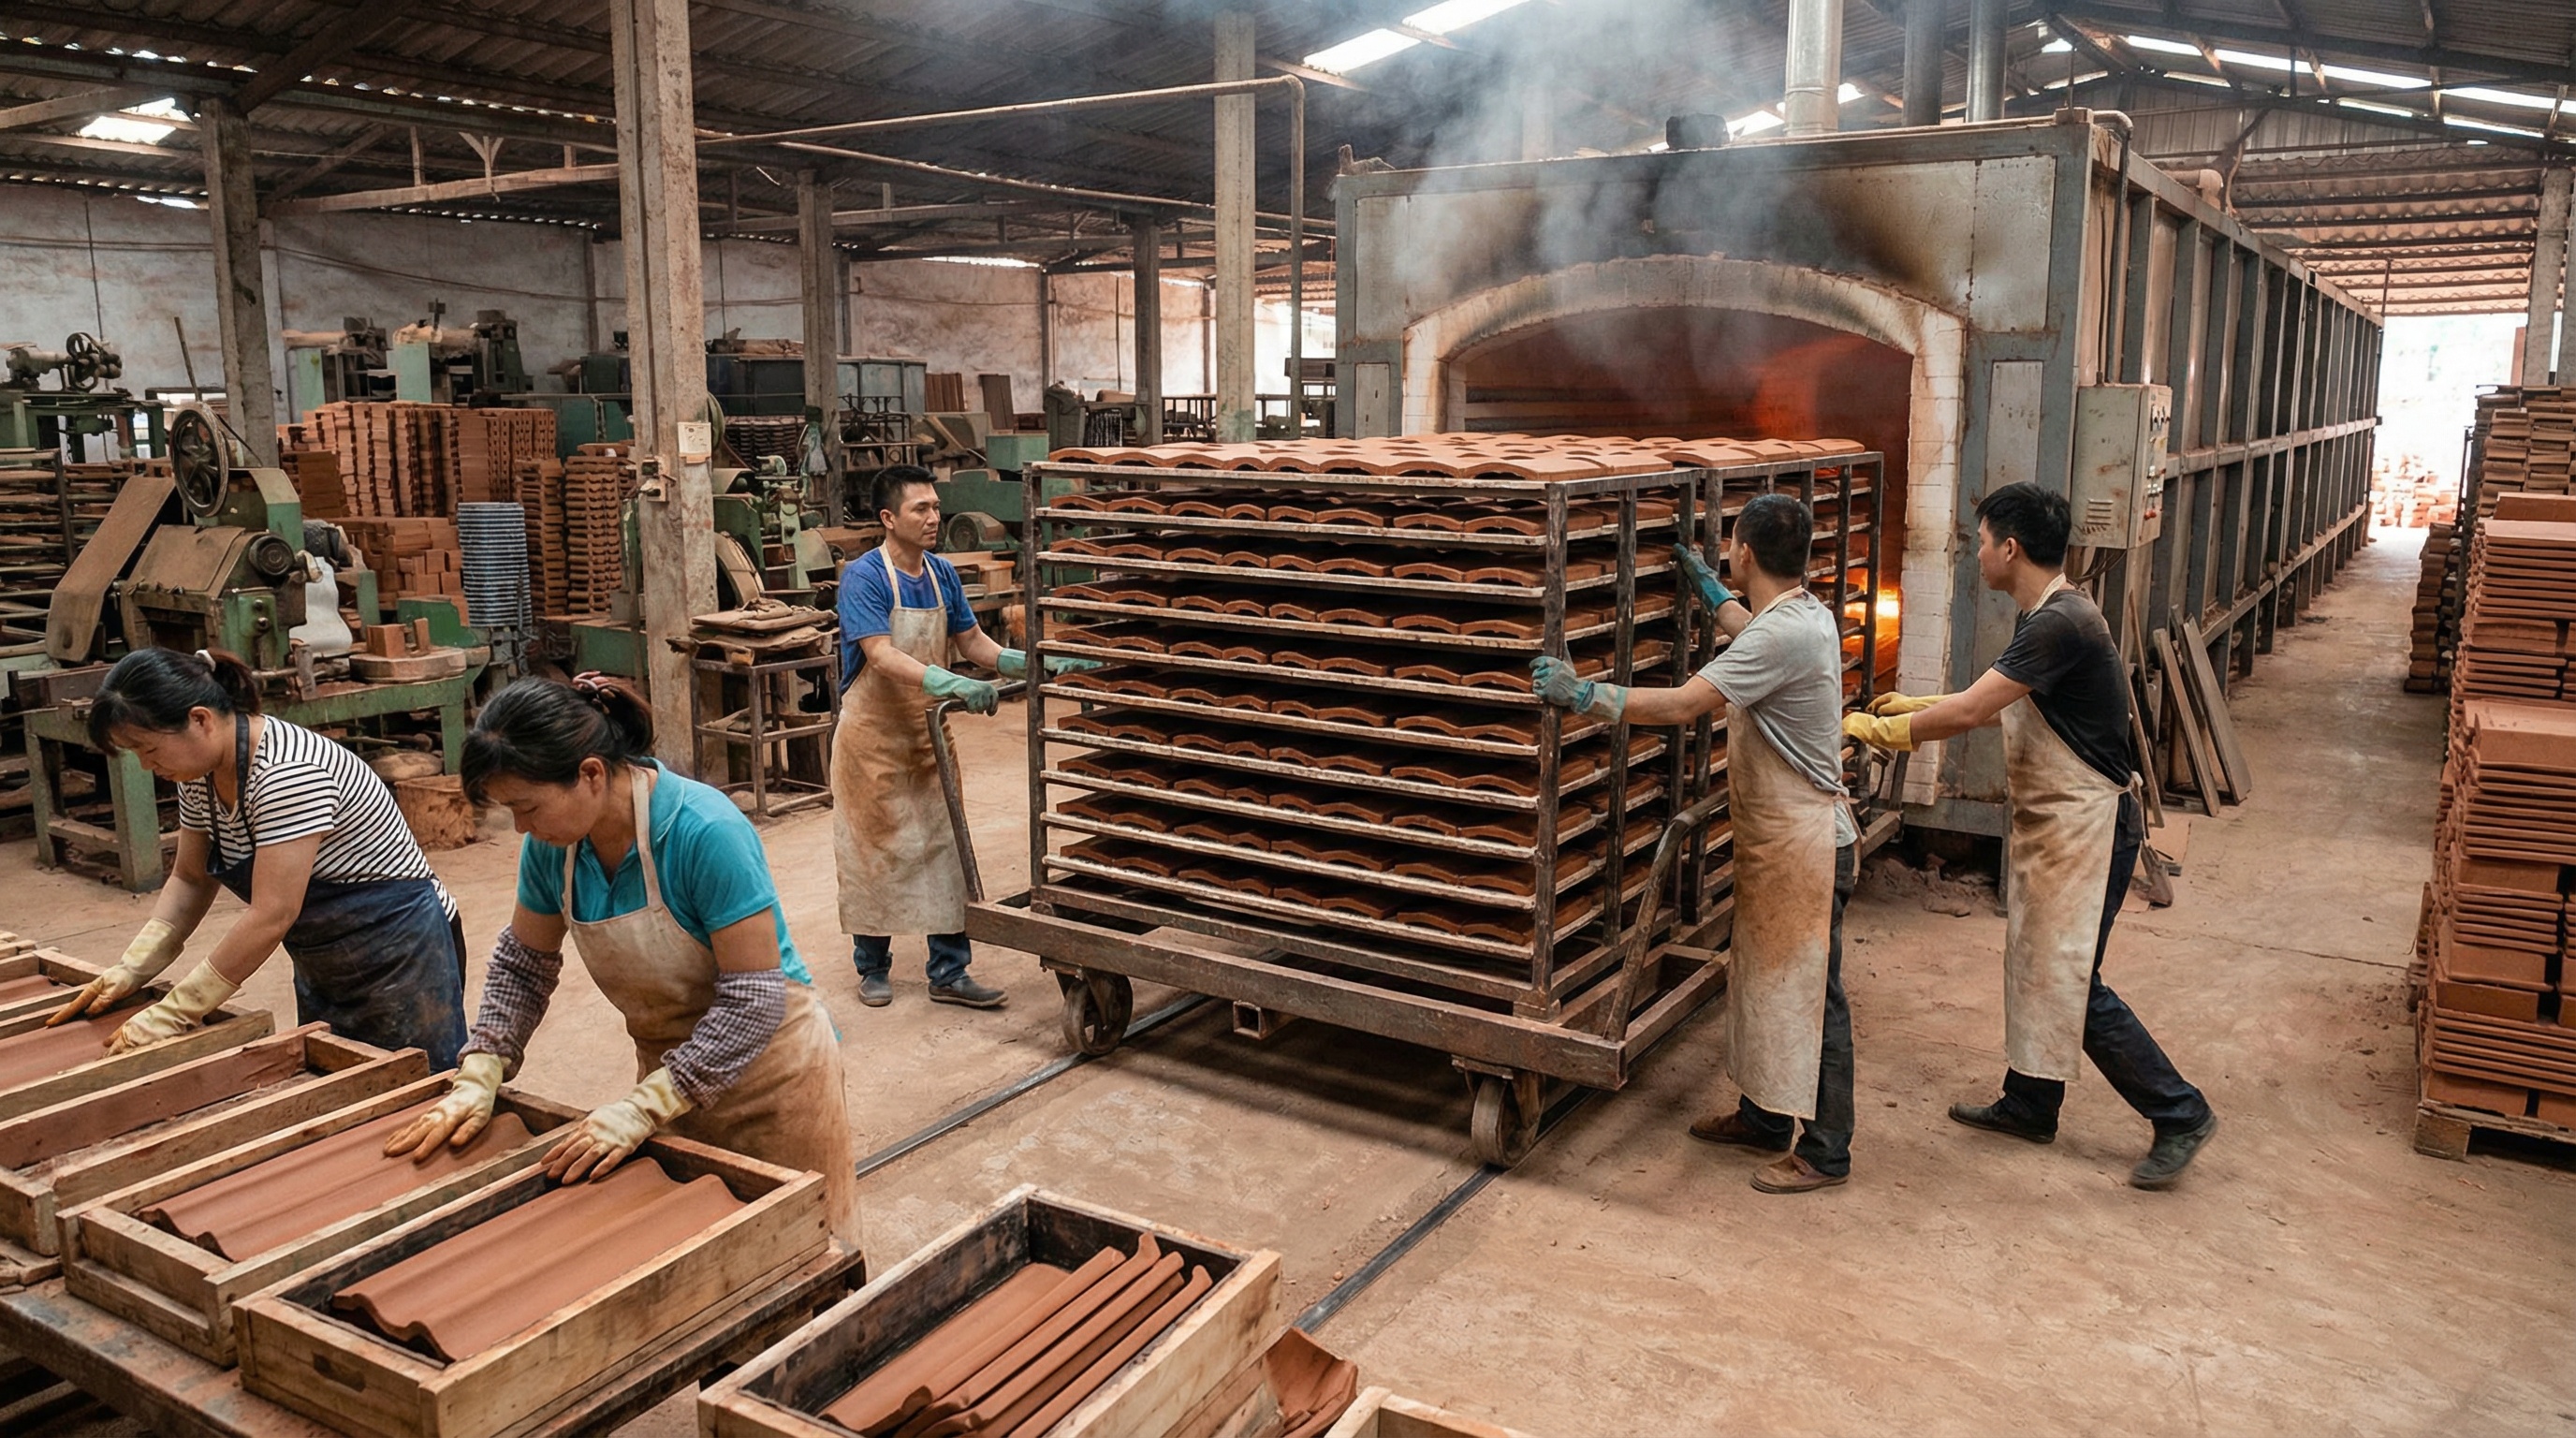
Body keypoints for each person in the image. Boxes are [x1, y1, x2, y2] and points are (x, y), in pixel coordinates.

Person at [385, 676, 860, 1244]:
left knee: (802, 1245)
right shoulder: (552, 850)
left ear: (590, 774)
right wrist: (484, 1064)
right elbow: (523, 965)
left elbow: (754, 997)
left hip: (773, 1081)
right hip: (667, 1078)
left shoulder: (704, 831)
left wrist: (646, 1106)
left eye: (527, 807)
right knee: (694, 1247)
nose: (521, 828)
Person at [1844, 481, 2218, 1190]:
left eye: (1982, 541)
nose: (1978, 552)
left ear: (2010, 548)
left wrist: (1884, 730)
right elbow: (1999, 703)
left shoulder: (2059, 622)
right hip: (2063, 824)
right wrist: (1914, 704)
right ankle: (2030, 1104)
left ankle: (2180, 1111)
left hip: (2090, 826)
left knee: (2071, 982)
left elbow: (1971, 712)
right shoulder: (2049, 612)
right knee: (2037, 964)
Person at [1530, 493, 1859, 1194]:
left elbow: (1684, 704)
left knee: (1813, 1000)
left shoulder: (1781, 636)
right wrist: (1711, 592)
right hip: (1782, 844)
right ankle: (1764, 1118)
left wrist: (1585, 695)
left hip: (1806, 848)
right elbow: (1750, 629)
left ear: (1745, 552)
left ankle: (1827, 1151)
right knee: (1766, 984)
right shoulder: (1805, 614)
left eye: (1730, 547)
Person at [49, 648, 466, 1064]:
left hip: (403, 950)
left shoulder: (288, 774)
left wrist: (179, 1009)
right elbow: (191, 878)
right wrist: (136, 965)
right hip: (326, 955)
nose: (145, 765)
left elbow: (273, 913)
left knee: (420, 1079)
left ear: (200, 720)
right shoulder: (199, 774)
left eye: (150, 749)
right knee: (341, 1072)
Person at [832, 464, 1076, 1010]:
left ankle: (949, 970)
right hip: (872, 741)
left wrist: (1032, 663)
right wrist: (951, 683)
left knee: (946, 849)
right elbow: (880, 654)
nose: (933, 518)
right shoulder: (865, 577)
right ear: (888, 518)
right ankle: (873, 965)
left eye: (936, 507)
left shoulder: (941, 573)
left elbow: (973, 643)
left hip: (928, 737)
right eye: (920, 509)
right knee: (874, 852)